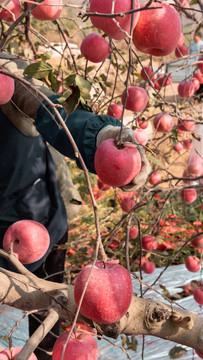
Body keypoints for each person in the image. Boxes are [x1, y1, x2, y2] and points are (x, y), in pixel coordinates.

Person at [0, 53, 151, 359]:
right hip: (19, 226)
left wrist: (101, 140)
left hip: (40, 218)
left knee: (47, 305)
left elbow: (49, 109)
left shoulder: (6, 75)